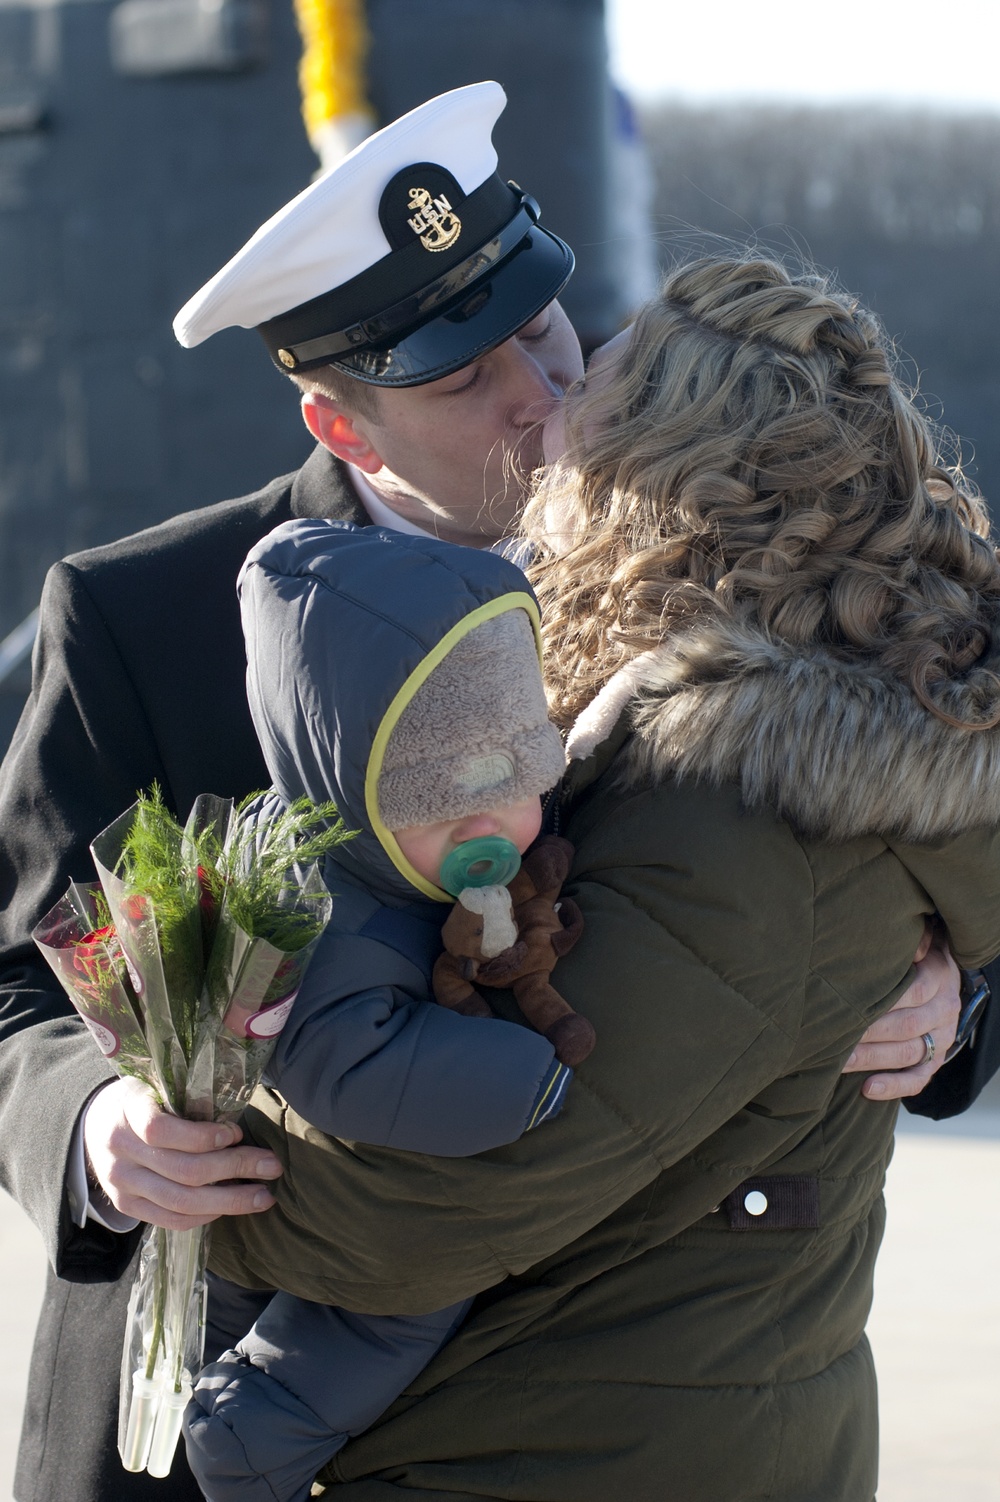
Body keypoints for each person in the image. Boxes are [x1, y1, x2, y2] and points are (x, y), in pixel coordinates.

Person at [0, 80, 973, 1501]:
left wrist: (950, 1002)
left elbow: (910, 834)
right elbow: (17, 977)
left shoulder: (724, 579)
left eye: (539, 327)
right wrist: (101, 1128)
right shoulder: (148, 619)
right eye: (462, 377)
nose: (544, 391)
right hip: (229, 1386)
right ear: (342, 428)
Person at [204, 255, 1000, 1500]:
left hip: (572, 1452)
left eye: (597, 384)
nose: (547, 408)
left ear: (662, 471)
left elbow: (440, 1204)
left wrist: (215, 1180)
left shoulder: (729, 806)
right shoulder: (748, 736)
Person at [185, 519, 574, 1502]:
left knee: (239, 1287)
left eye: (516, 783)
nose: (495, 831)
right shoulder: (341, 913)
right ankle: (250, 1430)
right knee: (400, 1300)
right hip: (336, 1179)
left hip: (281, 1179)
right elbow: (342, 1067)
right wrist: (522, 1079)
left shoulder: (378, 855)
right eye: (448, 804)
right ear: (351, 783)